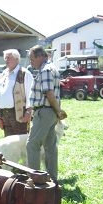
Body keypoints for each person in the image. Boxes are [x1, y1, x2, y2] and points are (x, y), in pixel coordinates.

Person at [27, 45, 67, 182]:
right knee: (50, 146)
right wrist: (57, 112)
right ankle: (52, 179)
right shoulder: (51, 68)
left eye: (32, 59)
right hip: (50, 113)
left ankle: (35, 179)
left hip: (44, 112)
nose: (30, 62)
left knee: (32, 144)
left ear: (40, 56)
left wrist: (58, 111)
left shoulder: (45, 70)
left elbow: (49, 93)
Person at [0, 49, 34, 137]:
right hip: (5, 115)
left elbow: (30, 94)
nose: (6, 60)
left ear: (17, 59)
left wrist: (28, 112)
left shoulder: (25, 74)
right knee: (8, 141)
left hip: (19, 113)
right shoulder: (2, 75)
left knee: (20, 140)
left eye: (9, 58)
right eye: (5, 58)